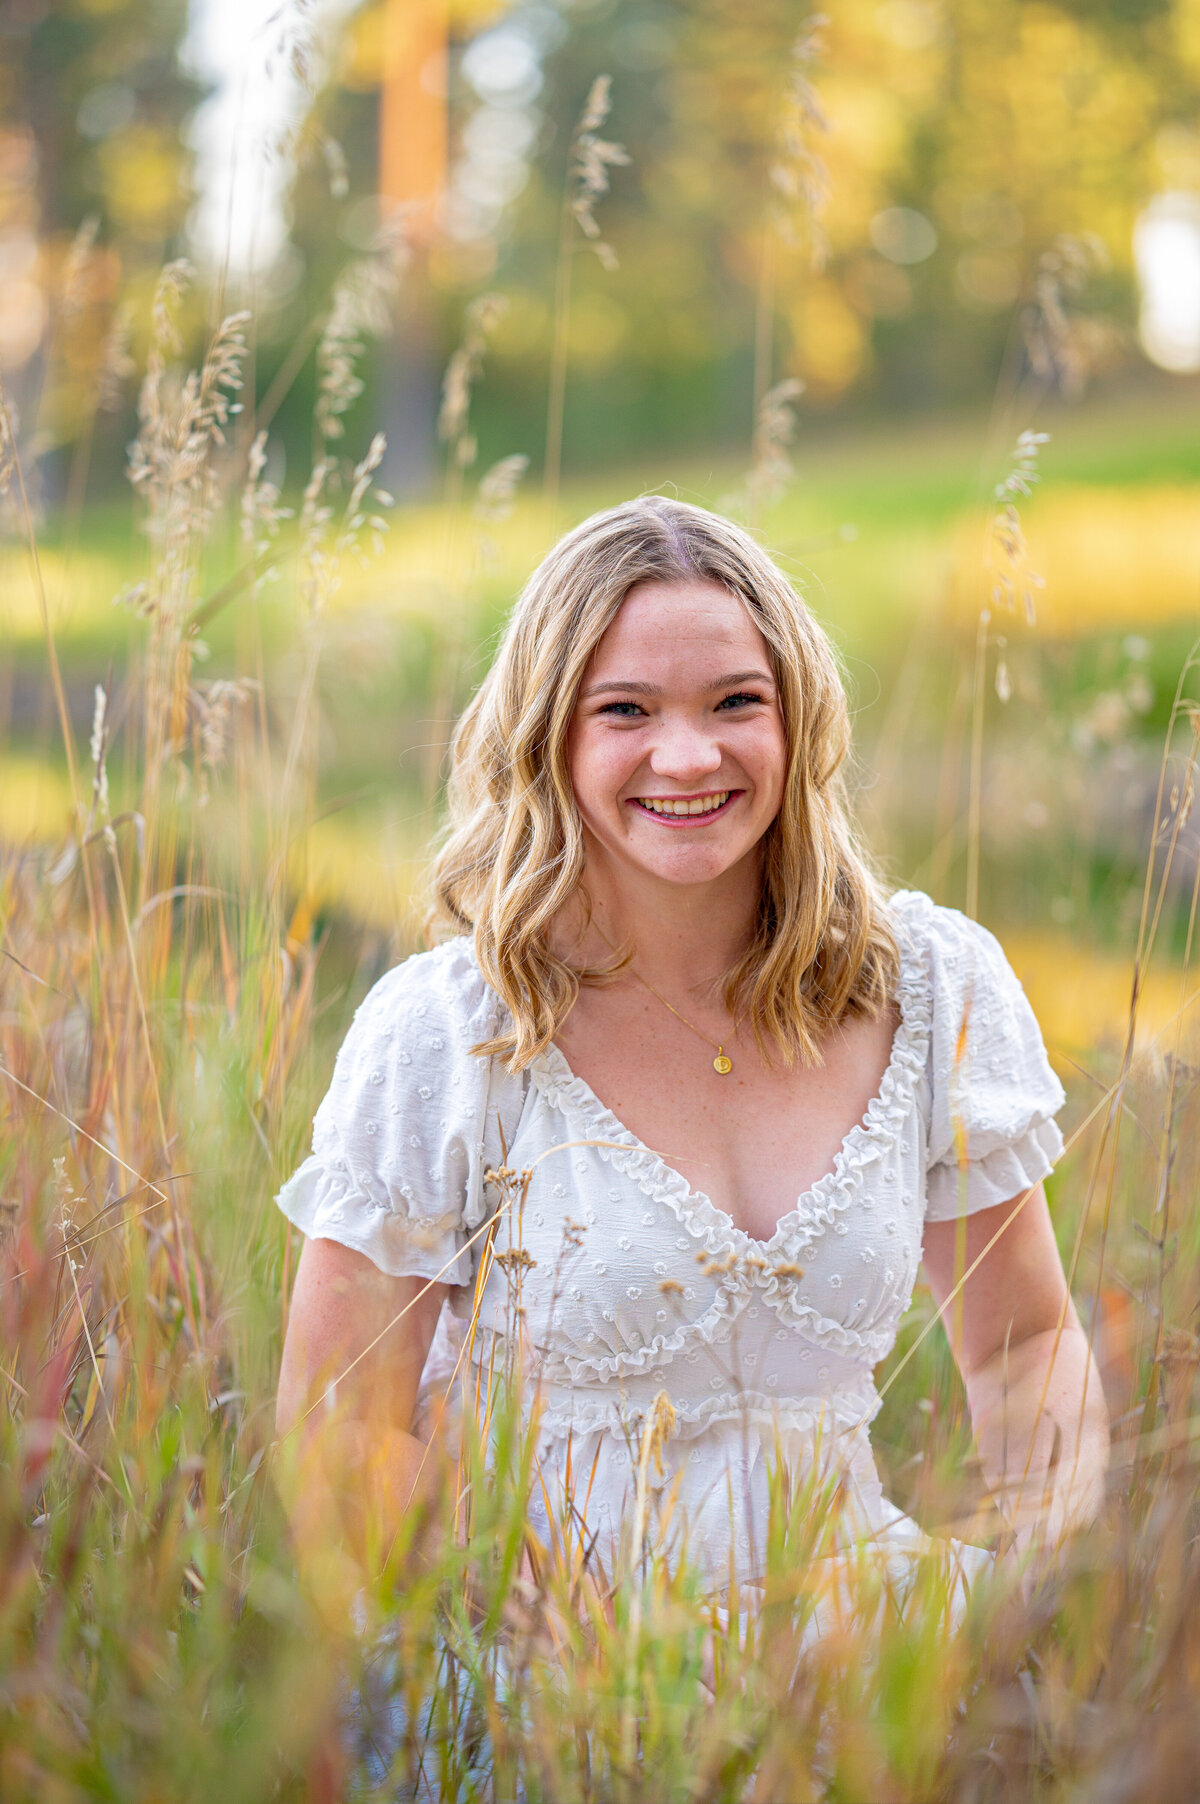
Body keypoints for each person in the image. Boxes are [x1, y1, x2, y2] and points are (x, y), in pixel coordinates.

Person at [273, 495, 1108, 1686]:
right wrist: (597, 1667)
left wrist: (1037, 1591)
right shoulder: (447, 1035)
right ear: (548, 737)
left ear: (796, 719)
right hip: (550, 1670)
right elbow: (340, 1431)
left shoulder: (930, 986)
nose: (687, 754)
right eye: (625, 710)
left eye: (735, 703)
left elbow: (1025, 1347)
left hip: (860, 1642)